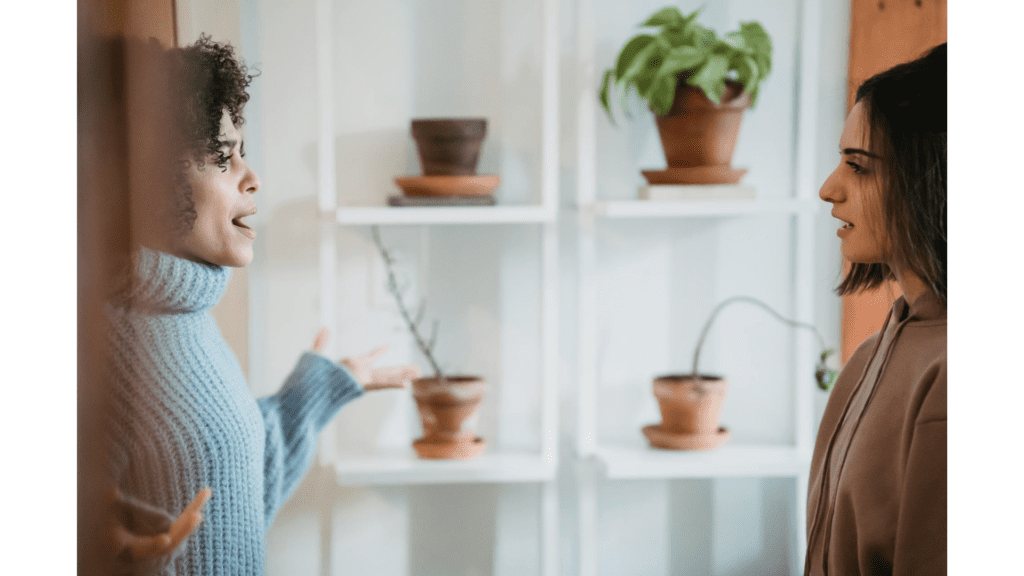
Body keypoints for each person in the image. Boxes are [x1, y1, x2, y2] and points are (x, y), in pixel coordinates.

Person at [104, 35, 420, 575]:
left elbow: (233, 492)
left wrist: (312, 394)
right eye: (222, 157)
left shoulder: (186, 316)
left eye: (243, 153)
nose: (253, 179)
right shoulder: (95, 335)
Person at [808, 43, 946, 575]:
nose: (829, 189)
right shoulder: (872, 355)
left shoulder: (952, 376)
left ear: (931, 176)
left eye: (858, 167)